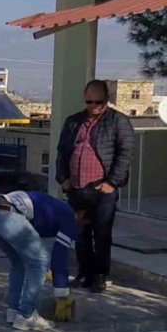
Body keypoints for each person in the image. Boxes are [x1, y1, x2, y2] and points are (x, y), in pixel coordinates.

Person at [56, 79, 135, 293]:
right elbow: (62, 151)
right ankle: (85, 273)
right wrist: (63, 178)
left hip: (102, 190)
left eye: (97, 102)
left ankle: (100, 275)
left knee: (101, 234)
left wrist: (111, 183)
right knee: (80, 234)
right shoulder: (73, 121)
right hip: (77, 189)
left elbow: (125, 154)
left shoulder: (118, 122)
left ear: (106, 100)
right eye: (89, 101)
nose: (93, 106)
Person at [0, 190, 85, 331]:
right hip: (6, 213)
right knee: (41, 261)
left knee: (19, 261)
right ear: (82, 214)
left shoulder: (54, 206)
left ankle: (13, 310)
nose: (81, 227)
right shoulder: (70, 217)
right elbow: (59, 256)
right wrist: (62, 293)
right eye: (84, 222)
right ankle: (26, 315)